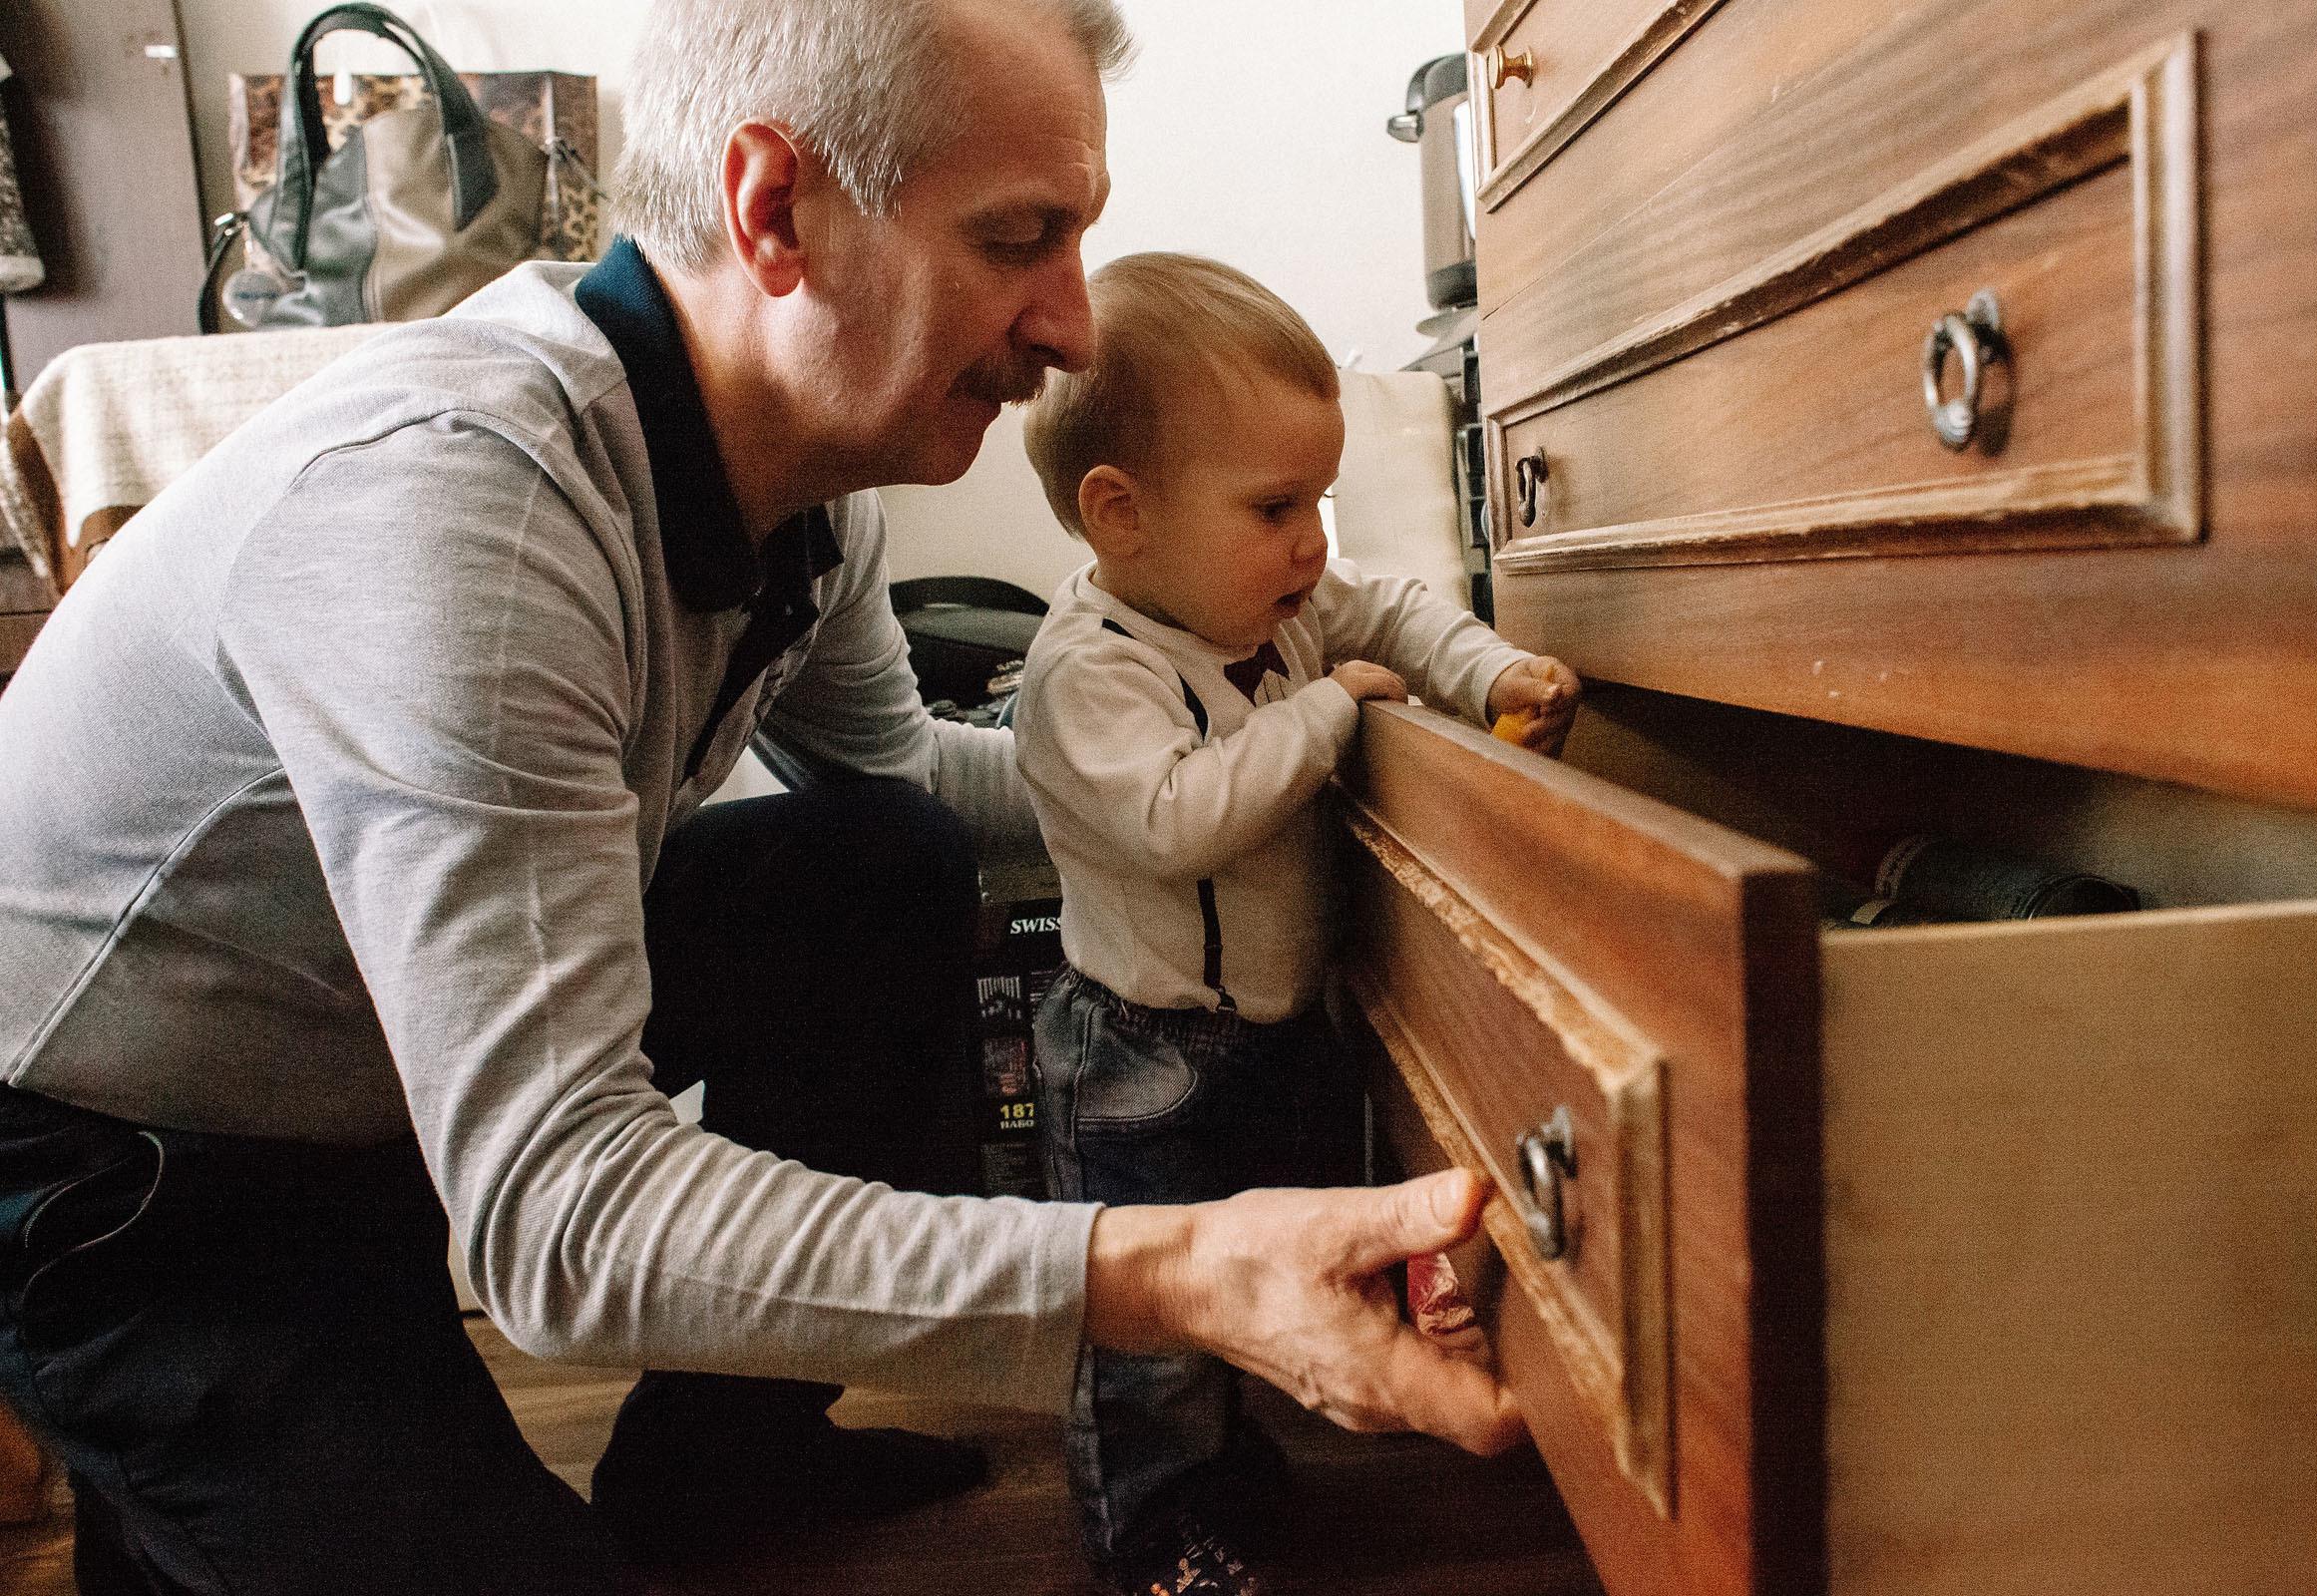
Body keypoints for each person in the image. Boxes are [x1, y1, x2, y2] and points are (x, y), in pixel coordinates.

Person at [0, 2, 1523, 1591]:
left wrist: (1226, 776)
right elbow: (558, 1219)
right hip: (135, 1159)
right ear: (774, 208)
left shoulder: (809, 494)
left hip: (364, 1040)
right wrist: (1176, 1266)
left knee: (878, 861)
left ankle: (723, 1462)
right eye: (1020, 238)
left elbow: (919, 778)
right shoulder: (472, 512)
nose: (1075, 329)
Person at [1011, 251, 1580, 1593]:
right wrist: (1335, 709)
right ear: (1121, 515)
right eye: (1275, 507)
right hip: (1141, 1055)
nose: (1313, 541)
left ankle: (1230, 1465)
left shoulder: (1288, 599)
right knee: (1148, 1331)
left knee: (1268, 1265)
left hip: (1274, 1028)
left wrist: (1495, 670)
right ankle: (1156, 1533)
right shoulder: (1086, 673)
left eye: (1317, 500)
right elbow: (1177, 818)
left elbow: (1398, 610)